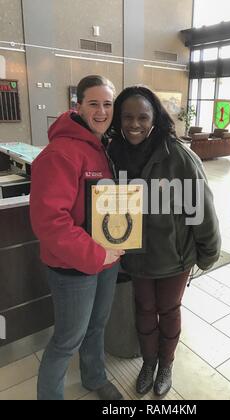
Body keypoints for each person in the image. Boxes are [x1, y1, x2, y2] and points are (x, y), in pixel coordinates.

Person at [108, 86, 221, 397]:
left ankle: (166, 364)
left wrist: (208, 253)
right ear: (118, 119)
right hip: (136, 256)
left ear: (154, 118)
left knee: (168, 309)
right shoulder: (112, 153)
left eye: (142, 117)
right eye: (127, 117)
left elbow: (202, 210)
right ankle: (148, 362)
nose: (134, 124)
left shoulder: (180, 157)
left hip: (174, 257)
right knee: (144, 309)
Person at [30, 75, 125, 400]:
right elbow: (49, 223)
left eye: (108, 104)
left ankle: (94, 377)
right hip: (74, 268)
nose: (101, 111)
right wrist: (97, 254)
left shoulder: (103, 148)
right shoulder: (60, 153)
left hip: (106, 260)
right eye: (94, 103)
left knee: (97, 326)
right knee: (67, 340)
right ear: (78, 106)